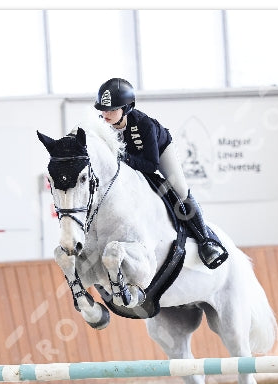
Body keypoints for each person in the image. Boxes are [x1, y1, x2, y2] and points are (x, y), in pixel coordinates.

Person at [94, 77, 228, 269]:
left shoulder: (144, 124)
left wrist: (124, 159)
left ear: (127, 108)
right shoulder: (100, 128)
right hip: (128, 163)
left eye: (112, 109)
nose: (106, 114)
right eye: (103, 109)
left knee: (180, 190)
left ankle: (205, 240)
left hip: (159, 151)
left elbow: (150, 165)